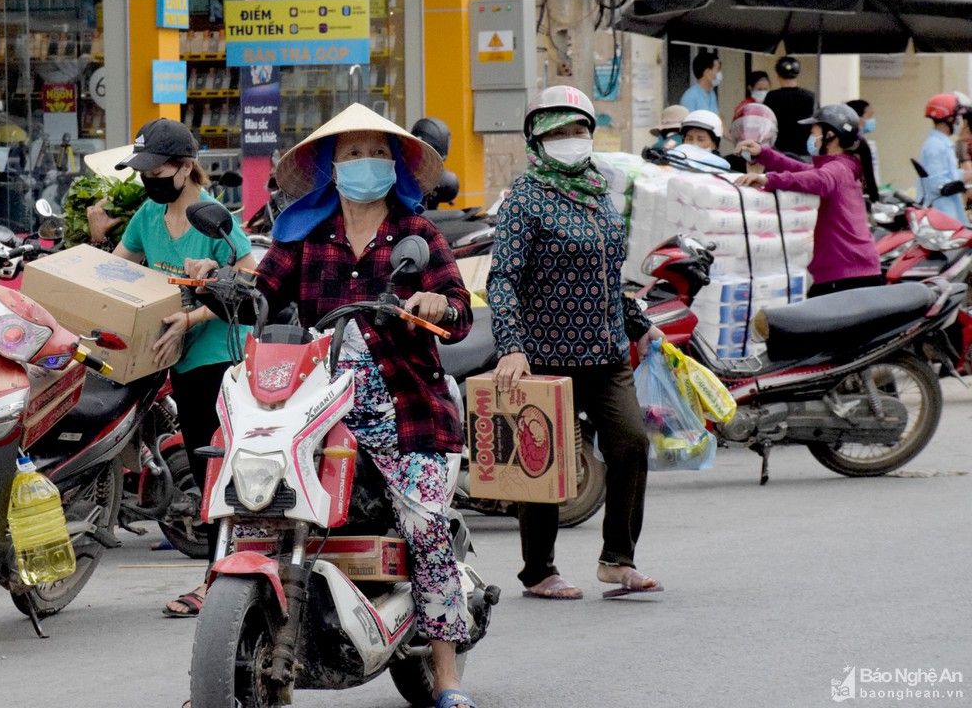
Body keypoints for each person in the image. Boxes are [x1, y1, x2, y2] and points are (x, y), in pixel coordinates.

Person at [207, 103, 476, 706]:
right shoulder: (306, 236)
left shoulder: (418, 236)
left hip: (407, 411)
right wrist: (224, 280)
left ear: (395, 164)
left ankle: (448, 677)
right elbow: (262, 290)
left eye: (375, 153)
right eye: (351, 154)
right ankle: (225, 658)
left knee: (426, 530)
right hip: (316, 407)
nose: (364, 164)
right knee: (257, 506)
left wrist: (438, 309)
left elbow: (456, 308)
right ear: (332, 166)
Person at [488, 85, 664, 602]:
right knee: (543, 465)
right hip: (544, 356)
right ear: (537, 140)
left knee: (631, 442)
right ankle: (539, 571)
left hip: (606, 351)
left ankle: (617, 560)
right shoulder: (524, 197)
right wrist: (512, 346)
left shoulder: (598, 189)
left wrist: (638, 323)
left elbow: (608, 274)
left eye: (578, 130)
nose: (570, 139)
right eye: (557, 132)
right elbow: (504, 279)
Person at [85, 118, 255, 620]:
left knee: (218, 468)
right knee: (206, 469)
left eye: (155, 170)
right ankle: (220, 576)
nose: (148, 180)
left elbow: (244, 278)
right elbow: (115, 273)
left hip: (220, 354)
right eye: (142, 172)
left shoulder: (213, 215)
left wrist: (190, 317)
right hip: (177, 354)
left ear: (184, 169)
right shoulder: (147, 215)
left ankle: (219, 581)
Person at [736, 103, 883, 297]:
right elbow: (802, 170)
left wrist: (768, 179)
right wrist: (764, 153)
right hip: (852, 273)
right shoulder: (842, 166)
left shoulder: (838, 169)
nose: (811, 138)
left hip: (845, 277)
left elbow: (819, 180)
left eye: (814, 132)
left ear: (830, 135)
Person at [915, 93, 970, 225]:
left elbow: (948, 175)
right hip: (941, 216)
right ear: (950, 118)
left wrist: (966, 175)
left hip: (949, 213)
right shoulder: (935, 146)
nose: (960, 121)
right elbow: (939, 185)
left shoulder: (942, 144)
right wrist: (961, 184)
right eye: (958, 117)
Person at [762, 56, 816, 156]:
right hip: (804, 152)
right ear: (797, 74)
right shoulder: (810, 97)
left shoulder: (772, 97)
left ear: (778, 75)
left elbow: (765, 125)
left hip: (778, 153)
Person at [679, 50, 720, 115]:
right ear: (707, 72)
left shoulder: (712, 94)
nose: (719, 73)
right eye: (717, 69)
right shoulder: (690, 97)